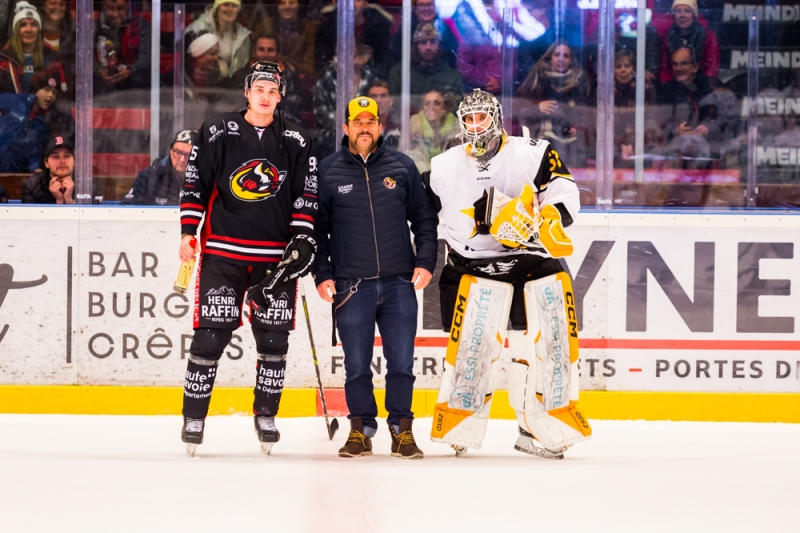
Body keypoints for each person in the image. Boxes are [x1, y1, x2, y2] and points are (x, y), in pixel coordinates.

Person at [428, 89, 589, 459]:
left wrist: (550, 217)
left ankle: (535, 428)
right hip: (470, 268)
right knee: (472, 351)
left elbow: (563, 188)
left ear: (497, 118)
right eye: (468, 119)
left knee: (540, 350)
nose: (475, 126)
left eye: (481, 117)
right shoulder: (443, 166)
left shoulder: (532, 152)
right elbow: (420, 212)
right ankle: (460, 425)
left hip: (529, 265)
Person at [177, 61, 317, 455]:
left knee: (273, 341)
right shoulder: (217, 130)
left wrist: (302, 238)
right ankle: (193, 418)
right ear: (246, 92)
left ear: (280, 95)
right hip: (224, 253)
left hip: (275, 261)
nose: (266, 97)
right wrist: (188, 231)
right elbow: (195, 183)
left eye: (273, 91)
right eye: (259, 89)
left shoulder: (297, 139)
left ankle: (266, 416)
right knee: (210, 337)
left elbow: (306, 194)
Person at [312, 96, 438, 459]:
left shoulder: (402, 166)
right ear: (346, 128)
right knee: (356, 366)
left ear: (380, 127)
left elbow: (424, 218)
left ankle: (402, 430)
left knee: (401, 365)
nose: (364, 127)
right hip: (351, 286)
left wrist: (425, 261)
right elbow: (316, 230)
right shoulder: (328, 171)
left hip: (399, 283)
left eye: (371, 121)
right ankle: (361, 430)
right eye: (358, 122)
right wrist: (322, 273)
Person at [517, 40, 591, 167]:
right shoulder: (536, 81)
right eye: (557, 55)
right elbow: (516, 111)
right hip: (539, 144)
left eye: (566, 56)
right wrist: (536, 109)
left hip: (570, 149)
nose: (561, 59)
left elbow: (585, 117)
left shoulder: (578, 85)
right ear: (550, 57)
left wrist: (577, 129)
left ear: (571, 60)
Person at [657, 47, 717, 169]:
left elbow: (720, 120)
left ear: (695, 67)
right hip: (674, 143)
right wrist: (675, 130)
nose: (678, 68)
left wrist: (707, 128)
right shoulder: (665, 90)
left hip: (702, 143)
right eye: (675, 64)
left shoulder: (708, 89)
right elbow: (659, 123)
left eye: (683, 63)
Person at [0, 71, 71, 173]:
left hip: (12, 173)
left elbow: (35, 151)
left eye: (54, 92)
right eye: (47, 90)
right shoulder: (13, 100)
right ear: (35, 90)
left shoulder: (45, 123)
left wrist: (34, 168)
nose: (51, 95)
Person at [313, 43, 376, 158]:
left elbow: (376, 107)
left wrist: (357, 70)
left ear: (356, 49)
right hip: (330, 135)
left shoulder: (368, 75)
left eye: (352, 45)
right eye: (343, 44)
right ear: (336, 49)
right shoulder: (326, 76)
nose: (348, 49)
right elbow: (321, 112)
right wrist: (351, 127)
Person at [227, 32, 304, 126]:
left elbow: (294, 109)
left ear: (278, 54)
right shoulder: (239, 77)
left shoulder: (291, 78)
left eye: (270, 50)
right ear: (253, 52)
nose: (265, 54)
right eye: (261, 49)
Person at [387, 22, 463, 113]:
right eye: (423, 42)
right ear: (415, 46)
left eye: (433, 42)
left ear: (440, 45)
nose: (428, 47)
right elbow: (393, 108)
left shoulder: (452, 76)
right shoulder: (400, 73)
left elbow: (457, 111)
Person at [121, 129, 198, 206]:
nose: (182, 159)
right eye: (178, 152)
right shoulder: (148, 177)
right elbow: (128, 208)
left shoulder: (203, 179)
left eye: (188, 154)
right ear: (171, 152)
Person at [93, 0, 151, 94]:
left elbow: (146, 57)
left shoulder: (142, 25)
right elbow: (85, 56)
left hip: (134, 82)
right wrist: (99, 71)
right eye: (111, 8)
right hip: (102, 83)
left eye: (120, 8)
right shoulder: (94, 27)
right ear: (104, 6)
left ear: (127, 5)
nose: (115, 14)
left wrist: (130, 70)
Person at [658, 0, 719, 84]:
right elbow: (664, 70)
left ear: (694, 15)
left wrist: (704, 87)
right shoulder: (666, 37)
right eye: (678, 11)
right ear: (673, 15)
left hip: (700, 85)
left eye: (687, 11)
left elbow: (712, 69)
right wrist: (669, 88)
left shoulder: (708, 37)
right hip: (674, 86)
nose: (682, 15)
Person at [186, 0, 251, 78]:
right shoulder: (198, 27)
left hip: (232, 84)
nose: (230, 9)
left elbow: (243, 67)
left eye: (234, 6)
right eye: (226, 4)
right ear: (217, 7)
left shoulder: (243, 36)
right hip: (200, 79)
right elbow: (188, 62)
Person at [253, 0, 316, 77]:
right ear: (277, 6)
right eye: (282, 3)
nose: (287, 7)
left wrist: (294, 67)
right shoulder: (264, 26)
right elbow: (254, 60)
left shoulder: (309, 29)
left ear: (299, 5)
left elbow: (310, 69)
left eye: (291, 2)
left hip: (297, 78)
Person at [390, 0, 458, 68]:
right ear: (415, 9)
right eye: (421, 5)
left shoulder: (444, 28)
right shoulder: (406, 29)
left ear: (435, 7)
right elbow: (397, 58)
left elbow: (451, 58)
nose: (426, 8)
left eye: (430, 4)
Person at [0, 2, 50, 94]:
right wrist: (31, 99)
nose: (29, 30)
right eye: (23, 25)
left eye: (33, 25)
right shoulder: (3, 59)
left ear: (38, 29)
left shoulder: (50, 56)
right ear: (16, 30)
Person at [408, 88, 459, 172]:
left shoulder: (458, 131)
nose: (431, 107)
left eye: (437, 103)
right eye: (427, 104)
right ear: (422, 108)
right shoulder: (411, 128)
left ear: (445, 108)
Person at [21, 135, 74, 204]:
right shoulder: (32, 186)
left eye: (67, 156)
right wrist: (59, 200)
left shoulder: (85, 185)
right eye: (56, 157)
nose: (62, 161)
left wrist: (69, 200)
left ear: (75, 161)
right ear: (46, 163)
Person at [366, 78, 400, 150]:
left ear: (390, 101)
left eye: (383, 96)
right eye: (374, 96)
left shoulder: (398, 130)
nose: (378, 101)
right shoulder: (359, 129)